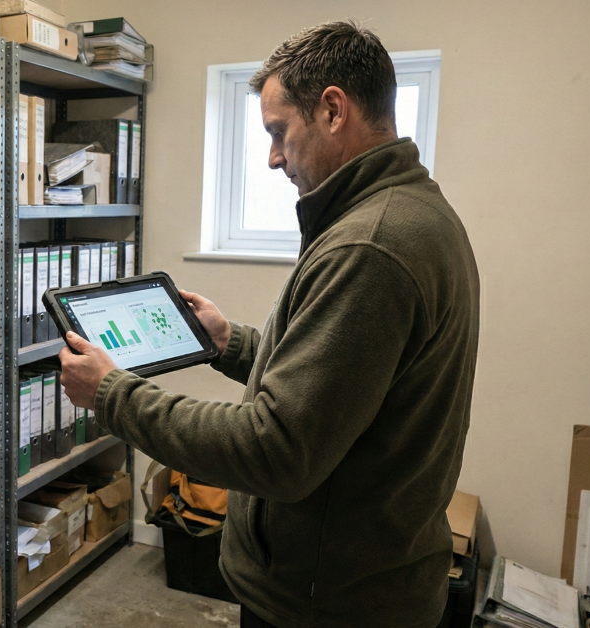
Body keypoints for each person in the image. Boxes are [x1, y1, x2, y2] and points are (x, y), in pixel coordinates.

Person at [59, 20, 479, 628]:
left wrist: (113, 393)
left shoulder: (370, 246)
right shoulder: (412, 211)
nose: (274, 156)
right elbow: (341, 386)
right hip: (358, 585)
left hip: (329, 603)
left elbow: (275, 450)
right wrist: (230, 344)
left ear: (333, 110)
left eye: (279, 132)